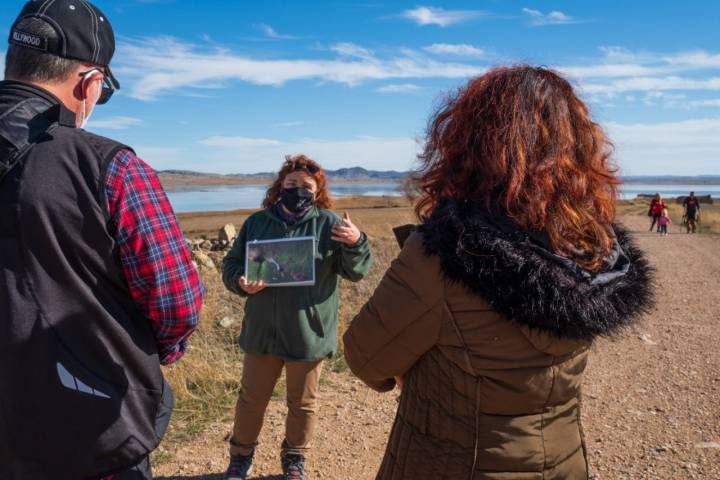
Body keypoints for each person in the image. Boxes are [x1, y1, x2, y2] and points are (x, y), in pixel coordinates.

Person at [343, 66, 654, 480]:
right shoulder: (591, 248)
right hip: (563, 463)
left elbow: (365, 356)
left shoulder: (445, 253)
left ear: (466, 144)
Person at [0, 2, 203, 479]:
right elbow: (177, 306)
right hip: (90, 435)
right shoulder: (111, 168)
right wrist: (148, 355)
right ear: (90, 83)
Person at [222, 155, 372, 480]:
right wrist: (240, 282)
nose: (297, 190)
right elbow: (232, 265)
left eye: (306, 186)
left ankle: (294, 459)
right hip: (263, 332)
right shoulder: (257, 223)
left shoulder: (330, 225)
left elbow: (356, 272)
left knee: (302, 404)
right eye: (291, 184)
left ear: (317, 191)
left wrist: (357, 243)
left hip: (308, 333)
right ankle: (240, 456)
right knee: (251, 400)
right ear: (280, 187)